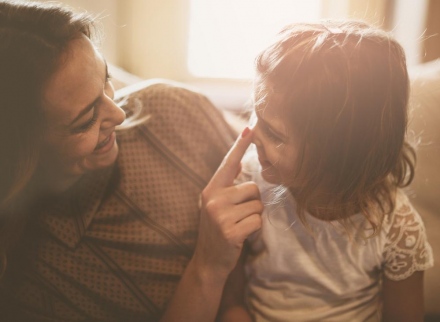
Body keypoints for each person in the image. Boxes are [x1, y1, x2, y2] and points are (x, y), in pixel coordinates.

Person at [0, 1, 263, 321]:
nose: (120, 114)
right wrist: (207, 268)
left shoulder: (168, 107)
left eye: (106, 81)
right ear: (20, 155)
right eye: (85, 120)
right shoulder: (35, 283)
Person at [218, 21, 434, 322]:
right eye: (256, 114)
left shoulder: (396, 227)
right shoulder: (248, 187)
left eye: (274, 133)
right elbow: (230, 302)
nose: (252, 135)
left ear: (339, 156)